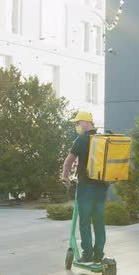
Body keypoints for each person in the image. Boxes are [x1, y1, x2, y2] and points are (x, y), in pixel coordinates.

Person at [62, 111, 109, 265]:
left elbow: (68, 162)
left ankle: (87, 257)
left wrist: (65, 177)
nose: (76, 126)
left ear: (85, 122)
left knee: (84, 221)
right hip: (102, 187)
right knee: (99, 221)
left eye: (77, 123)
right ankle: (98, 256)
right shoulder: (102, 139)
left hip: (86, 187)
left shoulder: (81, 140)